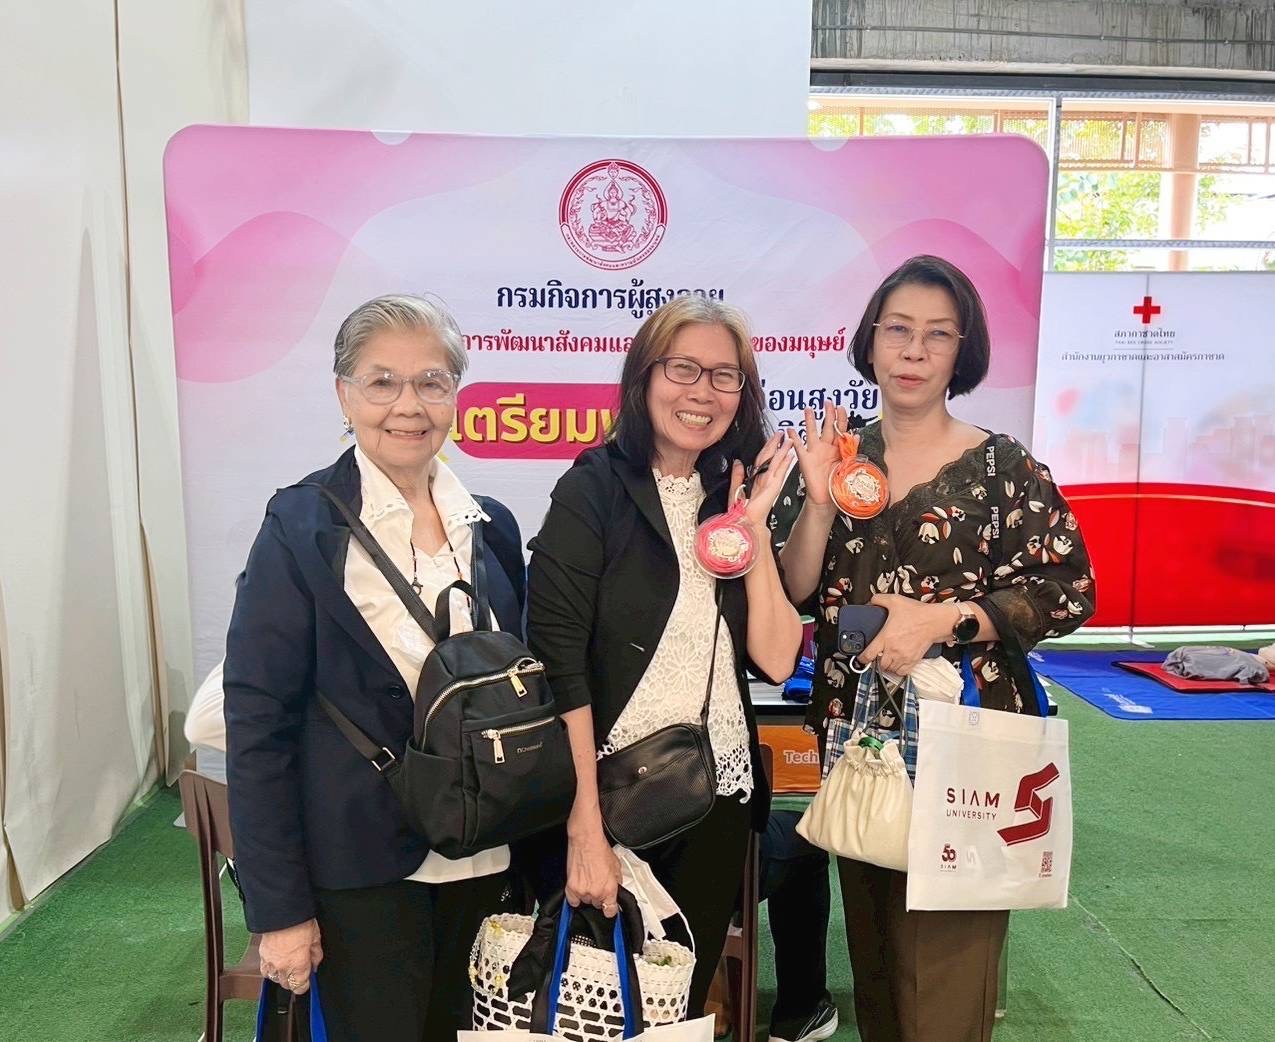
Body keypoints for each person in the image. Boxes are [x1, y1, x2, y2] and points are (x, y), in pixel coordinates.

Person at [778, 256, 1097, 1042]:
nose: (913, 351)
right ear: (869, 341)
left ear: (962, 352)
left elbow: (1067, 588)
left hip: (968, 744)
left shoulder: (1002, 466)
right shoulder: (837, 457)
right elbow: (795, 589)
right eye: (897, 329)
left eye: (937, 334)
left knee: (946, 979)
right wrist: (814, 503)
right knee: (878, 965)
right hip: (858, 735)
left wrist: (945, 621)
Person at [224, 294, 526, 1041]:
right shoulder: (301, 526)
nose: (408, 405)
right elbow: (257, 724)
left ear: (456, 393)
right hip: (359, 865)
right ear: (344, 394)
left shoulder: (490, 525)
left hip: (486, 857)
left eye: (431, 381)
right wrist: (279, 910)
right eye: (382, 381)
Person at [524, 295, 803, 1018]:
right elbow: (558, 665)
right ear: (644, 377)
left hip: (715, 793)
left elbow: (777, 660)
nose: (701, 392)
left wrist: (754, 527)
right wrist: (584, 828)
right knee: (590, 1008)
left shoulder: (731, 495)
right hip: (611, 796)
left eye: (724, 375)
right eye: (682, 368)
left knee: (677, 1009)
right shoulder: (593, 488)